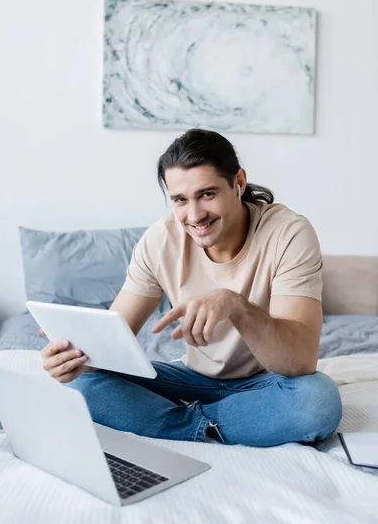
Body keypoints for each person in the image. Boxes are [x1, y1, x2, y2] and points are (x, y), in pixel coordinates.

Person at [41, 129, 342, 447]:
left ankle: (173, 421)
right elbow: (110, 343)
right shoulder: (160, 241)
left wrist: (234, 305)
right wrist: (75, 358)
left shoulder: (288, 233)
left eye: (208, 194)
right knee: (81, 386)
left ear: (238, 182)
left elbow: (299, 362)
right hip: (192, 379)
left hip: (270, 383)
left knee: (317, 402)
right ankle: (216, 423)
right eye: (181, 200)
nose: (195, 215)